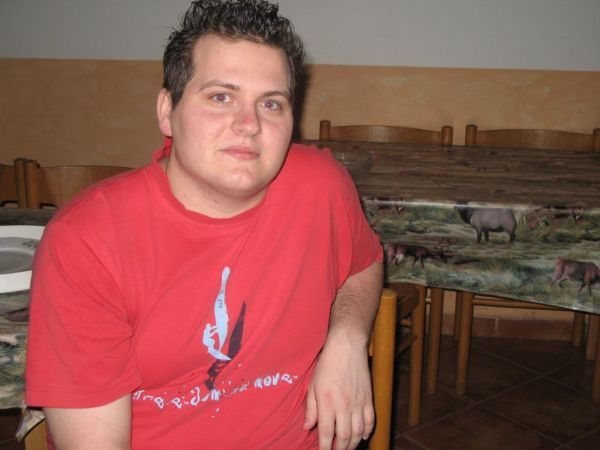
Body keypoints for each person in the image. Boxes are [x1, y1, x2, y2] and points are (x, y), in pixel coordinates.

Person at [25, 1, 383, 449]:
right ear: (166, 110)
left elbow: (363, 263)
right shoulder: (87, 241)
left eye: (271, 104)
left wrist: (347, 338)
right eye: (221, 97)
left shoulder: (321, 185)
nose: (249, 124)